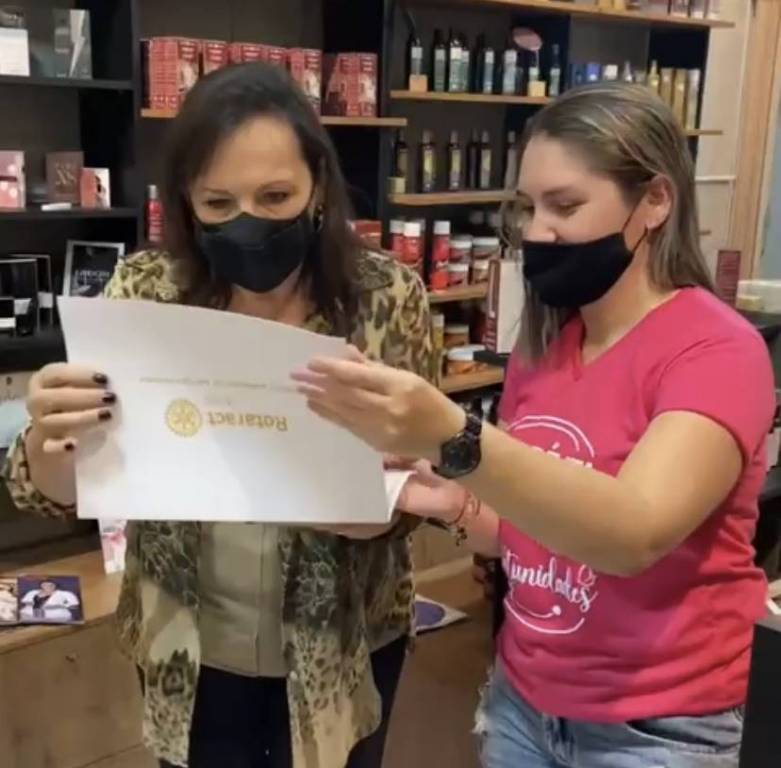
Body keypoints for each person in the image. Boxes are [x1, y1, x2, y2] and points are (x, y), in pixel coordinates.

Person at [295, 82, 775, 768]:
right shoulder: (547, 346)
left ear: (655, 200)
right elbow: (530, 529)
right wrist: (434, 496)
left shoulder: (715, 350)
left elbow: (632, 535)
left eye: (565, 206)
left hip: (657, 726)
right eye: (526, 207)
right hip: (524, 702)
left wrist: (454, 437)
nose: (537, 231)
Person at [2, 63, 432, 768]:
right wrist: (52, 438)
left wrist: (380, 509)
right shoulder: (144, 292)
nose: (248, 222)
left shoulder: (386, 297)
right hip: (191, 652)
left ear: (319, 186)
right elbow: (56, 488)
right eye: (218, 202)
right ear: (186, 203)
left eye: (275, 196)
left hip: (343, 644)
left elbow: (426, 471)